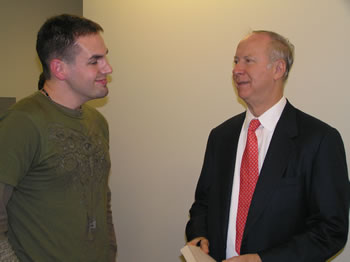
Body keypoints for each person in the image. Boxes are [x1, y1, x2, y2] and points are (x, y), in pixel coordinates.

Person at [185, 30, 349, 262]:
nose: (236, 70)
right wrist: (199, 234)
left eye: (248, 61)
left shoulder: (319, 140)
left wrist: (263, 260)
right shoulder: (221, 137)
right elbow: (203, 203)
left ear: (278, 69)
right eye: (235, 61)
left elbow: (331, 231)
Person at [0, 14, 117, 261]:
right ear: (59, 68)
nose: (108, 68)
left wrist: (110, 251)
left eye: (105, 56)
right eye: (95, 61)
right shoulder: (23, 122)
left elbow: (101, 198)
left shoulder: (98, 122)